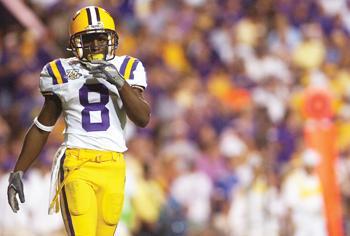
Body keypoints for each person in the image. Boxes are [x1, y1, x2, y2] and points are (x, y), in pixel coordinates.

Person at [7, 5, 150, 236]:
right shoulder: (61, 72)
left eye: (101, 39)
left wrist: (119, 82)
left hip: (114, 164)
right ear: (75, 42)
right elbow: (43, 126)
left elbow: (142, 118)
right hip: (77, 163)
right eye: (89, 39)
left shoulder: (127, 67)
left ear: (111, 39)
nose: (95, 45)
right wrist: (19, 170)